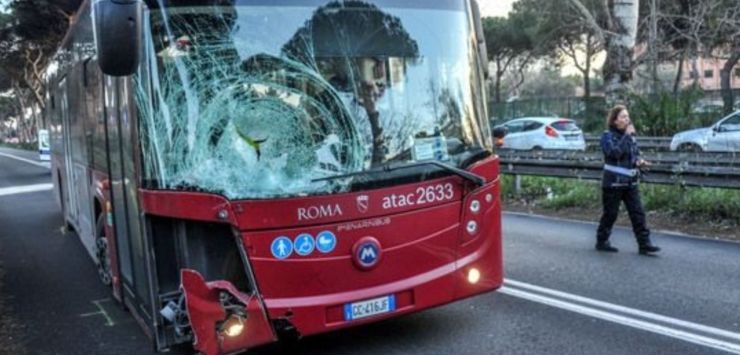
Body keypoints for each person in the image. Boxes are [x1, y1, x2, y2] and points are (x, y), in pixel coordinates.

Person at [595, 105, 661, 255]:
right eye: (623, 117)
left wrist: (640, 162)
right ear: (615, 121)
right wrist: (626, 136)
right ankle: (602, 241)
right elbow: (614, 153)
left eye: (627, 116)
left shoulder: (630, 137)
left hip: (630, 183)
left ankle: (644, 244)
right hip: (613, 183)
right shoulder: (607, 136)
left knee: (638, 213)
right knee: (610, 214)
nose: (627, 119)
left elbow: (634, 155)